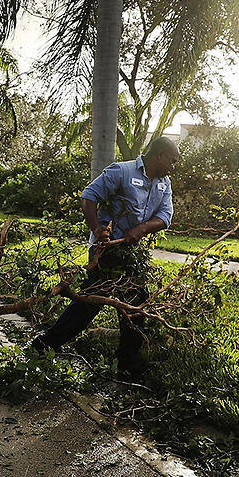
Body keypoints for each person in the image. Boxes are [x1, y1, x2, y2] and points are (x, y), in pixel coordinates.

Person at [30, 136, 179, 376]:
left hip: (131, 253)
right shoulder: (121, 171)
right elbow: (89, 196)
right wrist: (97, 228)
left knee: (136, 302)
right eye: (172, 161)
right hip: (106, 251)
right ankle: (43, 346)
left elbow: (165, 216)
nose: (173, 166)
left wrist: (140, 230)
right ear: (159, 155)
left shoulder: (164, 183)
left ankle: (127, 360)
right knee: (90, 305)